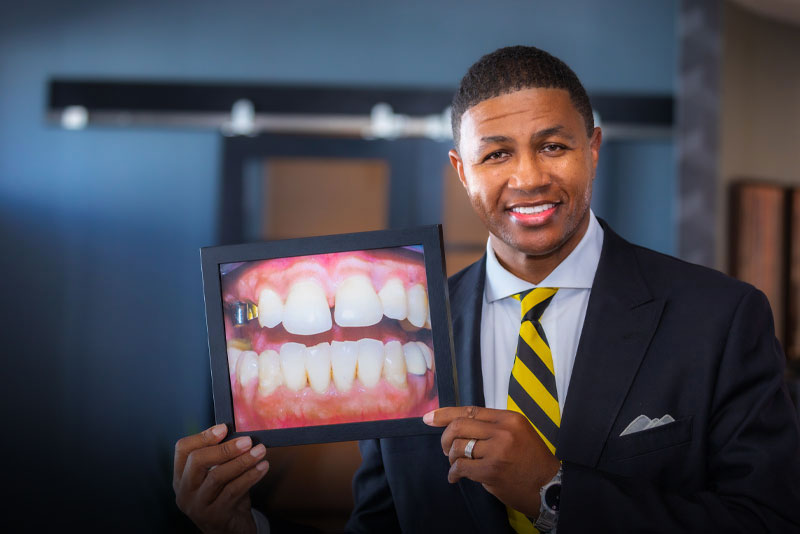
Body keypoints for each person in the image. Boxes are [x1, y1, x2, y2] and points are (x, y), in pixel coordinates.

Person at [173, 46, 800, 533]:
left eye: (553, 146)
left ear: (594, 149)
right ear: (461, 171)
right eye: (496, 154)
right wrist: (244, 529)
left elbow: (770, 521)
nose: (528, 178)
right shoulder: (403, 334)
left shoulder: (718, 318)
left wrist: (552, 492)